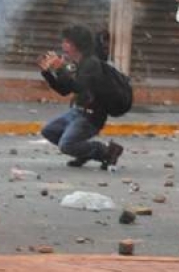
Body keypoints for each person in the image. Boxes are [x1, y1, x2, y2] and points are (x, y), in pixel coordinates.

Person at [39, 24, 124, 169]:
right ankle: (84, 152)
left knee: (66, 145)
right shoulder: (75, 63)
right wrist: (48, 73)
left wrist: (60, 68)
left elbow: (79, 86)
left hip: (90, 117)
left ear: (76, 45)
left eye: (66, 42)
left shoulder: (92, 64)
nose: (63, 45)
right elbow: (65, 90)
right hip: (76, 111)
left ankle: (106, 151)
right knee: (49, 131)